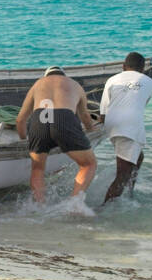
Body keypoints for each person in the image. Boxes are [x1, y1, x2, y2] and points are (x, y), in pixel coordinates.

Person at [13, 67, 98, 204]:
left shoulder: (38, 84)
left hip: (40, 119)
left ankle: (39, 206)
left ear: (46, 75)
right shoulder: (75, 84)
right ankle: (74, 204)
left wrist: (24, 140)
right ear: (64, 75)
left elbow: (20, 120)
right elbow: (85, 116)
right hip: (64, 118)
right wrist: (90, 129)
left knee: (38, 168)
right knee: (89, 164)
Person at [100, 52, 152, 204]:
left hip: (112, 125)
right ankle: (104, 209)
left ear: (123, 66)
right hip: (130, 127)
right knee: (122, 175)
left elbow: (103, 112)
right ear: (143, 68)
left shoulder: (112, 80)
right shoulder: (150, 82)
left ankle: (129, 191)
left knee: (138, 158)